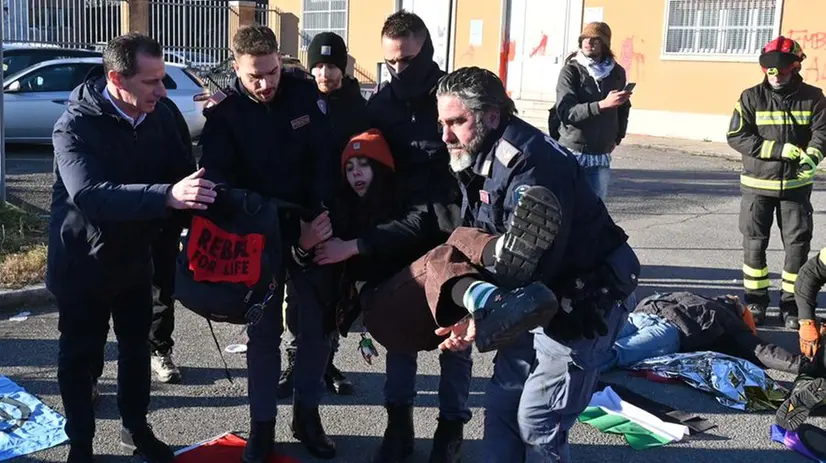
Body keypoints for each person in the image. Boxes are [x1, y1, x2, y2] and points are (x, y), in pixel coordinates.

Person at [433, 67, 638, 462]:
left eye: (456, 121)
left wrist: (484, 317)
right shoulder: (478, 152)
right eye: (442, 122)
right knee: (503, 401)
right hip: (534, 294)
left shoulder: (532, 165)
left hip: (583, 300)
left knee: (538, 420)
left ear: (491, 115)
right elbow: (482, 238)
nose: (445, 134)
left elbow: (535, 260)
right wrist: (471, 306)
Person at [48, 33, 214, 462]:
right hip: (82, 263)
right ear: (117, 78)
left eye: (163, 80)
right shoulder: (75, 125)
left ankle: (136, 430)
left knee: (136, 350)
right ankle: (80, 442)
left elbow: (183, 176)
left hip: (135, 260)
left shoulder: (161, 116)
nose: (163, 90)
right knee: (80, 357)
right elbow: (91, 195)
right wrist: (166, 197)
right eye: (152, 82)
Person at [197, 25, 339, 461]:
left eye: (272, 71)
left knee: (316, 330)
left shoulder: (301, 95)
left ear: (281, 60)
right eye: (254, 76)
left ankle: (307, 416)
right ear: (236, 68)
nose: (265, 84)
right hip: (257, 235)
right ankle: (262, 426)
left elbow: (324, 159)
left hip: (311, 228)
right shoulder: (224, 116)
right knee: (263, 335)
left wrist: (316, 218)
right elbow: (220, 184)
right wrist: (270, 219)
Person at [363, 10, 472, 462]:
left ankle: (451, 428)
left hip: (453, 232)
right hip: (402, 232)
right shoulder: (382, 103)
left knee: (456, 339)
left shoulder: (450, 95)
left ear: (425, 48)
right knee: (400, 333)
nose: (398, 69)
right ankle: (398, 424)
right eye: (391, 62)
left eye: (407, 60)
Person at [279, 30, 368, 399]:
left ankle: (326, 361)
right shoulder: (297, 98)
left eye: (332, 65)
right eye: (317, 65)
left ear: (344, 67)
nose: (324, 74)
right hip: (302, 214)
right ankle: (296, 361)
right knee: (298, 294)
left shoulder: (359, 106)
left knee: (334, 294)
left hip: (344, 215)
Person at [727, 36, 826, 330]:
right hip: (757, 186)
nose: (775, 74)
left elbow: (822, 133)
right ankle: (755, 300)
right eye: (770, 69)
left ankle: (791, 303)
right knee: (754, 246)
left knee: (797, 247)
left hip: (795, 189)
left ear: (796, 66)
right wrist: (777, 150)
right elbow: (736, 136)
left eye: (782, 69)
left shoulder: (814, 97)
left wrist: (812, 156)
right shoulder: (750, 97)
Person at [597, 291, 823, 376]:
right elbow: (761, 350)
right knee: (619, 352)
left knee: (599, 337)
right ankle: (574, 372)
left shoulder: (691, 296)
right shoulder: (724, 318)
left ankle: (565, 360)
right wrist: (803, 364)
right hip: (669, 330)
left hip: (644, 314)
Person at [554, 21, 631, 200]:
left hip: (601, 154)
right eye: (585, 38)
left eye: (595, 39)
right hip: (573, 152)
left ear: (604, 44)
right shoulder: (571, 71)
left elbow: (623, 108)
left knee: (596, 212)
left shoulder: (617, 72)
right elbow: (566, 112)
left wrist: (618, 136)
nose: (588, 42)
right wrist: (602, 105)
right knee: (568, 207)